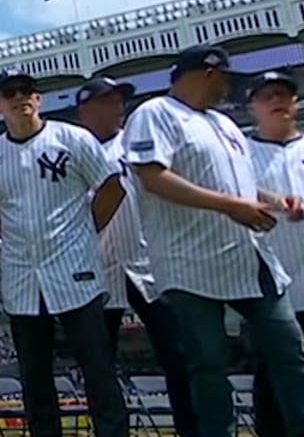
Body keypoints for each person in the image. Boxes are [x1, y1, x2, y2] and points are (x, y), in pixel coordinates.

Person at [126, 45, 304, 437]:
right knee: (208, 364)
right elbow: (152, 176)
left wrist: (276, 202)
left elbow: (240, 182)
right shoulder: (155, 112)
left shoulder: (223, 124)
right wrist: (229, 205)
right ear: (208, 73)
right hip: (189, 261)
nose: (228, 87)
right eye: (226, 78)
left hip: (247, 255)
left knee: (290, 352)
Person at [0, 70, 127, 437]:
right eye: (10, 93)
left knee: (99, 373)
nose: (19, 97)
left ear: (38, 98)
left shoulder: (72, 138)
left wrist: (85, 229)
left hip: (76, 271)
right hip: (24, 280)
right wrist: (16, 238)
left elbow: (111, 187)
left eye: (27, 90)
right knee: (35, 380)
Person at [75, 76, 197, 436]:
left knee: (179, 355)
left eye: (119, 100)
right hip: (96, 267)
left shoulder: (137, 142)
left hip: (149, 264)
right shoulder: (72, 148)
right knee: (99, 366)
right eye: (107, 101)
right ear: (85, 109)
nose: (118, 106)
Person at [243, 71, 304, 437]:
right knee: (273, 382)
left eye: (284, 94)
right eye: (267, 95)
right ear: (252, 106)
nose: (277, 101)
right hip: (271, 286)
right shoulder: (241, 153)